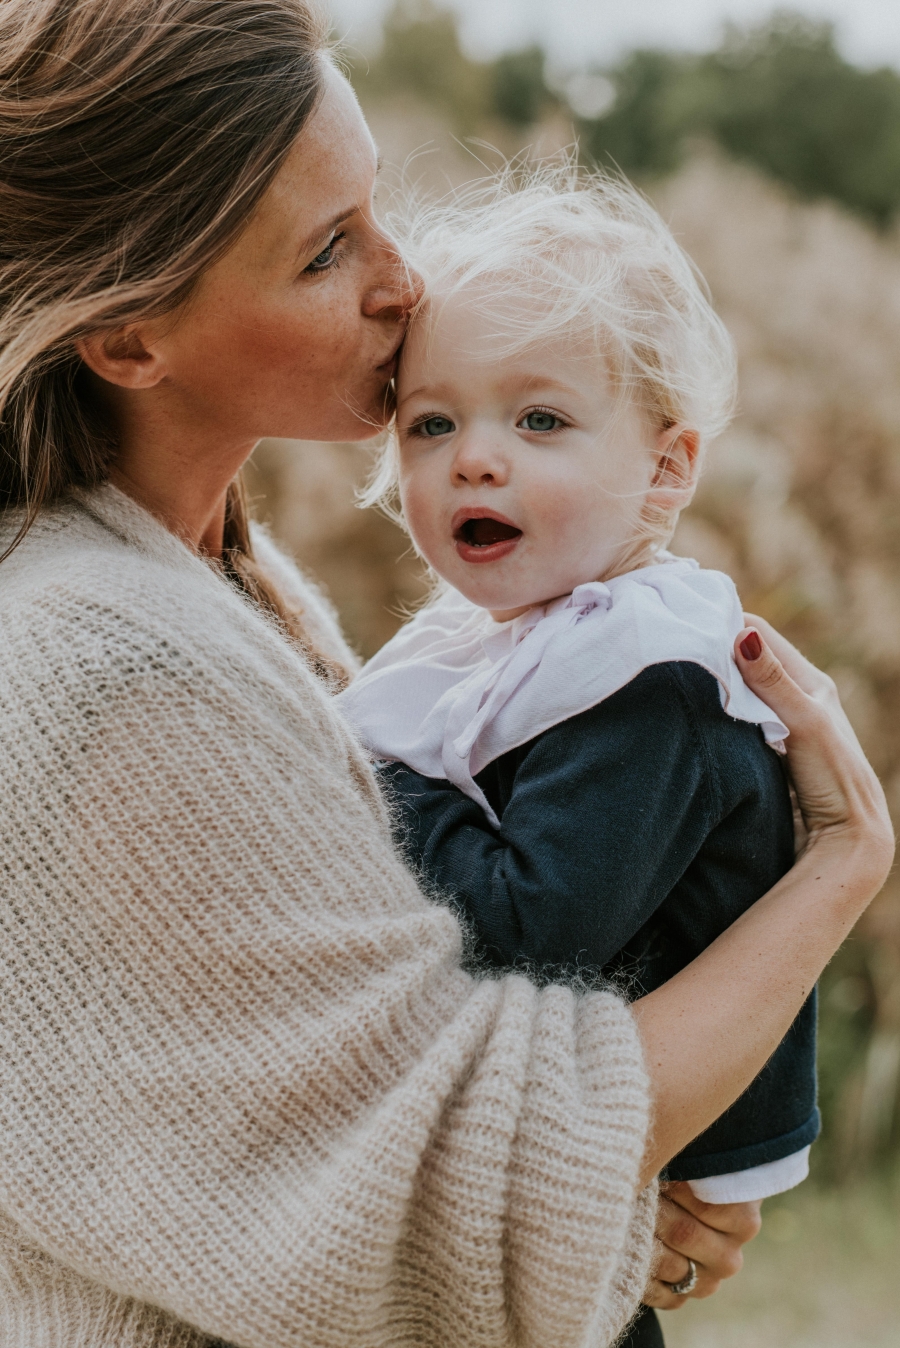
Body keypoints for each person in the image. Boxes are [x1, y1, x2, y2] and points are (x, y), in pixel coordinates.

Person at [0, 3, 891, 1346]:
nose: (400, 279)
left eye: (376, 207)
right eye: (325, 250)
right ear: (131, 339)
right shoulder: (104, 662)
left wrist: (668, 1149)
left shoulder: (222, 584)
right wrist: (836, 873)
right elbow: (434, 1199)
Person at [336, 173, 817, 1344]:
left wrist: (377, 778)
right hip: (551, 1195)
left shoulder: (653, 684)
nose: (475, 460)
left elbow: (527, 932)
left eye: (539, 420)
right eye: (432, 423)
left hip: (610, 1207)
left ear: (666, 469)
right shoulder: (515, 645)